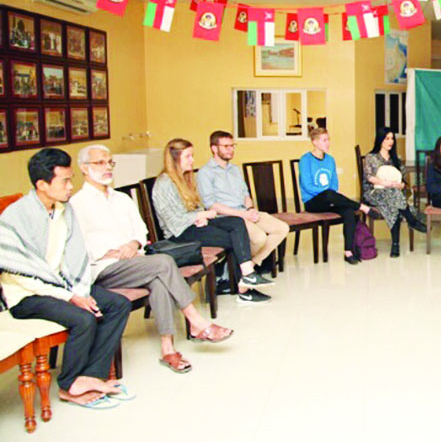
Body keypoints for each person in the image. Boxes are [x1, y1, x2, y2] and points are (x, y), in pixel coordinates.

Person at [71, 144, 233, 374]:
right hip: (105, 266)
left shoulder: (121, 199)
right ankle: (196, 322)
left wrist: (133, 244)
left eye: (110, 162)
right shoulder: (77, 203)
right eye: (100, 163)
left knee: (158, 280)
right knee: (164, 262)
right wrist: (112, 251)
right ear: (84, 168)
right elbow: (78, 244)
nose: (107, 167)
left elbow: (141, 230)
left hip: (136, 260)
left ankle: (168, 349)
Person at [0, 149, 132, 409]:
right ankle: (69, 385)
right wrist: (72, 297)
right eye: (65, 181)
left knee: (118, 305)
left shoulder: (64, 209)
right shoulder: (15, 216)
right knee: (83, 318)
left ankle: (91, 375)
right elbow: (22, 274)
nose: (71, 186)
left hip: (61, 285)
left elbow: (72, 254)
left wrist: (79, 290)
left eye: (71, 179)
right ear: (42, 184)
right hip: (26, 296)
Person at [151, 139, 271, 304]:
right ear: (175, 158)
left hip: (192, 224)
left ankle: (247, 274)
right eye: (188, 156)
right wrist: (201, 215)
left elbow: (193, 207)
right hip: (179, 233)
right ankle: (244, 288)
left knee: (237, 222)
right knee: (236, 238)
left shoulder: (184, 178)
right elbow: (173, 222)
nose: (193, 160)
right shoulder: (164, 183)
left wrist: (200, 216)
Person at [197, 130, 289, 274]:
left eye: (232, 145)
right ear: (214, 148)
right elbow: (211, 205)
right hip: (228, 217)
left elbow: (245, 194)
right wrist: (242, 215)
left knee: (282, 228)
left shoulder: (235, 169)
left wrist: (251, 209)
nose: (231, 149)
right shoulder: (205, 173)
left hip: (245, 211)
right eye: (226, 146)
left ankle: (250, 264)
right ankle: (241, 266)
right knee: (259, 239)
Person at [300, 127, 372, 264]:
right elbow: (308, 186)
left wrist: (331, 195)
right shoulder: (305, 160)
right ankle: (361, 206)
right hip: (312, 202)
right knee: (329, 194)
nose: (328, 143)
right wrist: (328, 194)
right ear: (314, 142)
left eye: (328, 140)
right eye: (324, 140)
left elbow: (334, 184)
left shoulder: (330, 160)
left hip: (330, 199)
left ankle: (348, 252)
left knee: (348, 211)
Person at [361, 127, 427, 258]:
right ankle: (412, 220)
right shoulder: (371, 157)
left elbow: (404, 182)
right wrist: (384, 183)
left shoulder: (395, 159)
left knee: (393, 204)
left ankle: (395, 244)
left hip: (392, 194)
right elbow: (369, 177)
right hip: (374, 192)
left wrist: (400, 185)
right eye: (387, 139)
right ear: (380, 140)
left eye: (392, 139)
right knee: (393, 196)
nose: (390, 141)